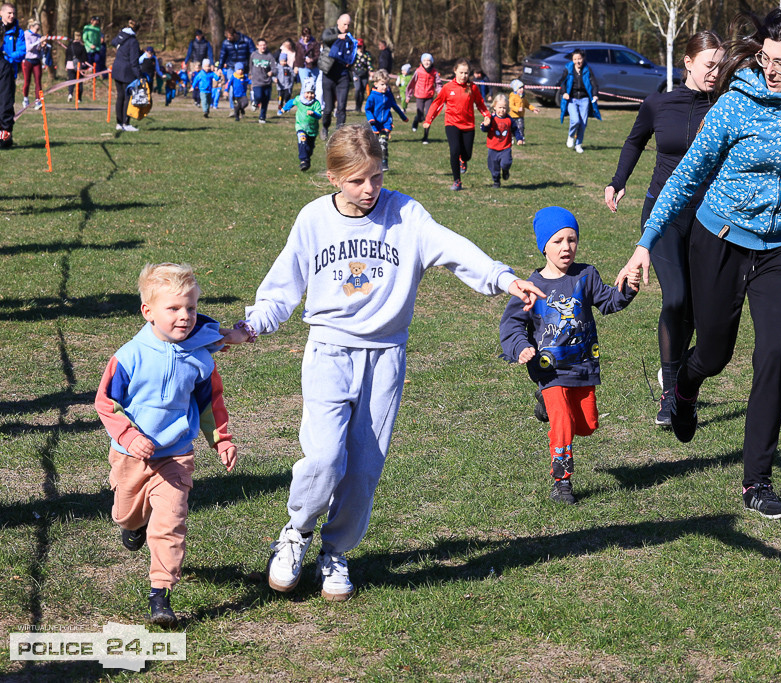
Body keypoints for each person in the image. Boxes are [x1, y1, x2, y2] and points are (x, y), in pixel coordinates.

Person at [220, 124, 544, 601]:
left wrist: (502, 278)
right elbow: (281, 286)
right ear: (332, 177)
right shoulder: (312, 220)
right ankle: (296, 533)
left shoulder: (405, 213)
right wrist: (252, 326)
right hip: (328, 351)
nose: (369, 189)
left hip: (386, 355)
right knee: (326, 457)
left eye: (376, 177)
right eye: (356, 180)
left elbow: (452, 248)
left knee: (365, 466)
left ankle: (336, 552)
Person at [617, 10, 781, 520]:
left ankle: (756, 481)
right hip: (718, 238)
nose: (770, 68)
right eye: (764, 57)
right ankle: (686, 384)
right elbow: (687, 177)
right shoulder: (734, 105)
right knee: (714, 352)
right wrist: (645, 242)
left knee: (774, 355)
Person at [95, 263, 237, 626]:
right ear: (148, 311)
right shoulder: (129, 356)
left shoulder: (201, 358)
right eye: (173, 308)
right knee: (125, 512)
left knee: (170, 523)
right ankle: (131, 525)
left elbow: (210, 403)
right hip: (131, 455)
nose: (185, 316)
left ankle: (161, 594)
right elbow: (106, 402)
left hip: (175, 455)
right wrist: (128, 435)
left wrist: (221, 440)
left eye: (190, 308)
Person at [605, 31, 723, 427]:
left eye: (720, 65)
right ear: (688, 62)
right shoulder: (658, 102)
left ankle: (681, 379)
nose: (715, 72)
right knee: (674, 298)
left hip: (709, 217)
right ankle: (670, 390)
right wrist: (618, 180)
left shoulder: (725, 105)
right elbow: (635, 141)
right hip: (663, 213)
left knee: (696, 307)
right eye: (709, 65)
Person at [500, 207, 640, 504]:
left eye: (571, 239)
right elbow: (512, 324)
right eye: (558, 241)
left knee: (586, 425)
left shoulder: (585, 276)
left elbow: (609, 302)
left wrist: (628, 287)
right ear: (544, 247)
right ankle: (562, 482)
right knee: (562, 423)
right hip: (549, 370)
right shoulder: (532, 286)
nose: (566, 247)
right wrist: (519, 347)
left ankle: (547, 408)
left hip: (582, 365)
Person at [424, 58, 490, 191]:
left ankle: (463, 160)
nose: (464, 76)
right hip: (451, 123)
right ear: (455, 71)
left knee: (467, 154)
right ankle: (457, 181)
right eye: (461, 72)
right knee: (454, 150)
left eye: (466, 73)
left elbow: (480, 104)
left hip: (468, 125)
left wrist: (487, 116)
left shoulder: (473, 88)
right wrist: (428, 120)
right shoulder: (448, 88)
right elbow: (437, 104)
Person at [320, 13, 357, 136]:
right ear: (338, 22)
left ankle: (338, 132)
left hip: (343, 76)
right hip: (329, 75)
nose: (346, 27)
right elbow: (325, 39)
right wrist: (338, 36)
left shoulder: (349, 37)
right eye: (344, 24)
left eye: (348, 25)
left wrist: (351, 62)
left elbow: (353, 53)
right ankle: (325, 127)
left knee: (341, 107)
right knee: (328, 108)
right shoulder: (330, 32)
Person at [364, 69, 408, 172]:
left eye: (386, 84)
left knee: (383, 142)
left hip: (386, 123)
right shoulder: (372, 96)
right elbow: (367, 109)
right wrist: (371, 120)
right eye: (382, 84)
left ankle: (384, 162)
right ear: (376, 84)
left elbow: (395, 106)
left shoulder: (388, 95)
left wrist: (403, 117)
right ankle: (372, 163)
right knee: (373, 145)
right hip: (375, 124)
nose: (385, 87)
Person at [558, 49, 600, 154]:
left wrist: (595, 94)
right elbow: (562, 82)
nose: (578, 61)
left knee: (583, 123)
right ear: (572, 60)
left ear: (583, 58)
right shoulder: (568, 69)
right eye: (575, 59)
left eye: (579, 59)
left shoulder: (587, 69)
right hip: (572, 99)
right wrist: (564, 93)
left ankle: (578, 144)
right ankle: (571, 135)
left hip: (584, 99)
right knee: (575, 120)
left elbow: (594, 84)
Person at [281, 78, 322, 171]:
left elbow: (319, 115)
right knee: (302, 141)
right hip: (301, 127)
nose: (309, 95)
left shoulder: (316, 103)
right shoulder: (299, 99)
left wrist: (314, 113)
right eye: (307, 93)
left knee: (309, 149)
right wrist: (284, 108)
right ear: (303, 92)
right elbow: (291, 102)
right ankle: (303, 161)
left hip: (312, 130)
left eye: (311, 93)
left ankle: (307, 157)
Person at [110, 18, 142, 132]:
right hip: (127, 72)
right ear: (137, 30)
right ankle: (126, 123)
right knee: (127, 98)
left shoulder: (121, 36)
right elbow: (134, 61)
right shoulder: (133, 41)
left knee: (120, 97)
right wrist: (139, 76)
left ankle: (119, 123)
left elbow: (113, 43)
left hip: (117, 69)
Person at [0, 3, 24, 149]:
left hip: (9, 70)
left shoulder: (18, 32)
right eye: (9, 13)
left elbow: (22, 51)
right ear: (1, 13)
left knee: (6, 104)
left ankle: (6, 137)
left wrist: (8, 56)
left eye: (13, 13)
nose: (12, 16)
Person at [481, 93, 513, 188]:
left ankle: (505, 170)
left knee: (506, 162)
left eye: (504, 107)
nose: (502, 110)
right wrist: (485, 125)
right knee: (493, 167)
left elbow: (515, 129)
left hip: (505, 147)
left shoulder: (509, 119)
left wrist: (519, 138)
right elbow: (484, 129)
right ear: (494, 107)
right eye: (500, 107)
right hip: (493, 147)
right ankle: (496, 181)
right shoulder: (491, 118)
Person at [407, 52, 440, 143]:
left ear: (431, 62)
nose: (427, 62)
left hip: (429, 96)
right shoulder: (418, 71)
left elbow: (438, 84)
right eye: (425, 60)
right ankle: (416, 121)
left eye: (429, 60)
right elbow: (411, 83)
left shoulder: (434, 72)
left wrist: (440, 93)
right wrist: (408, 96)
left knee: (428, 117)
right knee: (420, 116)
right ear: (422, 61)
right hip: (419, 96)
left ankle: (425, 137)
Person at [249, 37, 275, 123]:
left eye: (264, 45)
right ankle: (255, 102)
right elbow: (250, 66)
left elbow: (275, 68)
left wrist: (272, 72)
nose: (263, 47)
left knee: (265, 100)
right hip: (257, 81)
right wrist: (250, 75)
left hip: (267, 82)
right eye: (261, 45)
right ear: (257, 46)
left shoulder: (269, 56)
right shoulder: (253, 55)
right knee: (259, 96)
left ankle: (262, 117)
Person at [21, 19, 44, 109]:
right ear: (31, 27)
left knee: (38, 82)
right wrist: (38, 42)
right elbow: (29, 48)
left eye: (38, 29)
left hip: (36, 60)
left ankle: (38, 101)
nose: (37, 31)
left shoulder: (38, 36)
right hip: (28, 60)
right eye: (36, 29)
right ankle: (25, 99)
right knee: (27, 81)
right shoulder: (26, 34)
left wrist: (42, 46)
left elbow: (37, 49)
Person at [508, 78, 538, 145]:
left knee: (521, 127)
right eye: (520, 88)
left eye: (522, 88)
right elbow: (511, 105)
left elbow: (527, 105)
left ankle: (521, 140)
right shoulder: (512, 97)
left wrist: (533, 109)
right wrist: (517, 109)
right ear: (516, 89)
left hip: (520, 116)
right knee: (511, 128)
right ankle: (511, 138)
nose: (522, 89)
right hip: (512, 116)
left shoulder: (523, 97)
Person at [65, 31, 88, 102]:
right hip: (79, 66)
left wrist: (65, 65)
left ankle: (70, 93)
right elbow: (85, 58)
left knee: (71, 80)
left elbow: (66, 56)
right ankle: (79, 98)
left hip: (70, 65)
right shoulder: (82, 47)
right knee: (79, 82)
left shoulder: (69, 46)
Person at [351, 38, 372, 113]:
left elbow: (369, 64)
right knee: (357, 89)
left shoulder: (367, 54)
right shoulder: (354, 54)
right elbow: (351, 64)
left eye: (360, 46)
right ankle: (356, 105)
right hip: (356, 74)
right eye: (358, 46)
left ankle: (359, 107)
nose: (359, 48)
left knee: (362, 91)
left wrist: (371, 71)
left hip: (364, 74)